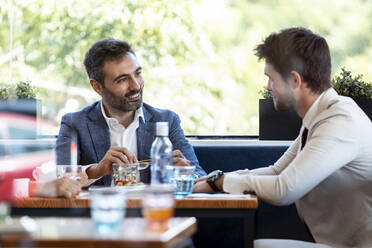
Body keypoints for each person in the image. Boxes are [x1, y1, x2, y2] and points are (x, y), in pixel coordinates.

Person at [193, 27, 372, 248]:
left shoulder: (340, 121)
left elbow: (283, 189)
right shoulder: (319, 117)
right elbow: (277, 171)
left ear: (295, 80)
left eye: (271, 79)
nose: (268, 87)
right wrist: (216, 180)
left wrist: (220, 182)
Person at [56, 38, 206, 186]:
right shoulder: (74, 124)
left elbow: (199, 175)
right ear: (97, 87)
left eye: (138, 74)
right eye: (122, 80)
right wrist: (96, 171)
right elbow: (59, 180)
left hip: (152, 209)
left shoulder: (167, 120)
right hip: (99, 208)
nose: (136, 86)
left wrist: (184, 173)